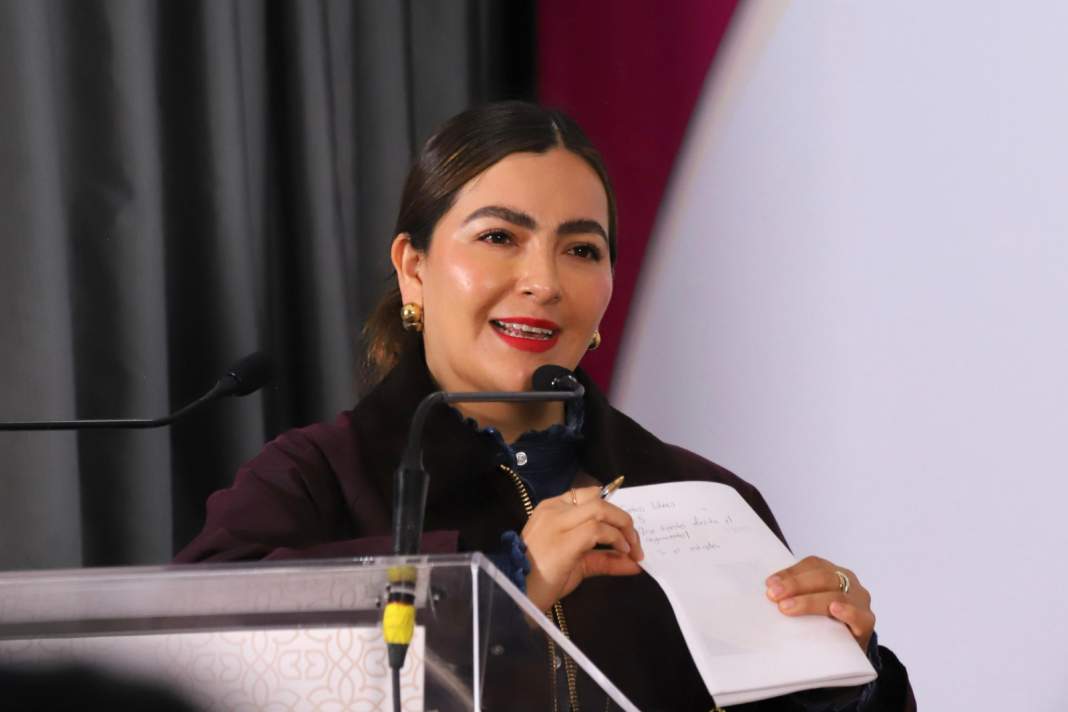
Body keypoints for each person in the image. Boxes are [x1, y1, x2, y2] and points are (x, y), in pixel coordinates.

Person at [176, 102, 914, 711]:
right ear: (414, 268)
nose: (545, 282)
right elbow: (193, 651)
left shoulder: (704, 496)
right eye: (500, 237)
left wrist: (844, 676)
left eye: (582, 250)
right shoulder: (316, 477)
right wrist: (501, 582)